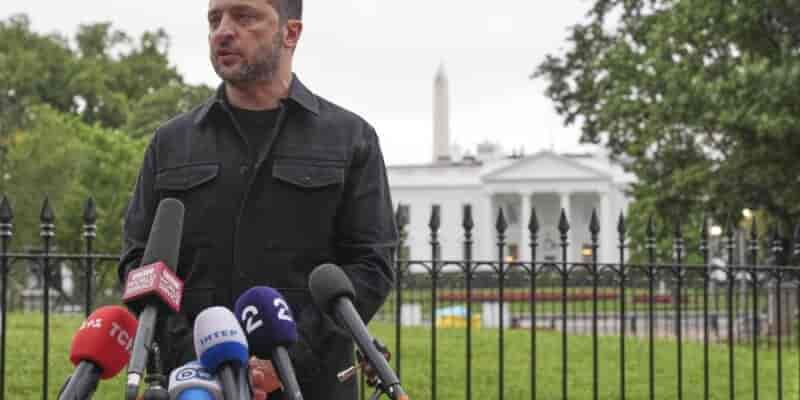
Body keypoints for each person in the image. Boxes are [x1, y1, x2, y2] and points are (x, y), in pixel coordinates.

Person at [118, 0, 397, 398]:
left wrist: (288, 361)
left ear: (291, 32)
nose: (223, 31)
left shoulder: (351, 139)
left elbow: (371, 266)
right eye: (215, 19)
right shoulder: (170, 143)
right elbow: (139, 264)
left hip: (313, 386)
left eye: (244, 16)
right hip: (194, 385)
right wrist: (201, 356)